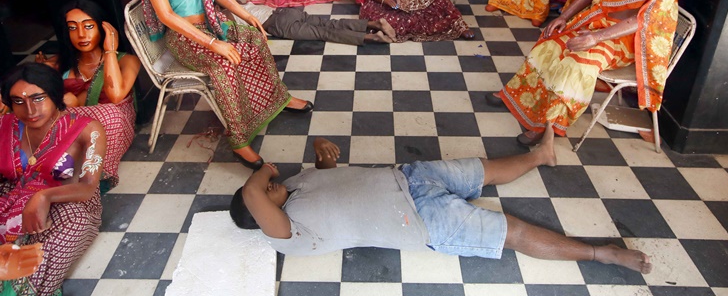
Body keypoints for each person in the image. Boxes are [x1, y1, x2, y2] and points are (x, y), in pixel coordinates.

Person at [230, 133, 653, 275]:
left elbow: (330, 181)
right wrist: (263, 168)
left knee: (484, 169)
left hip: (410, 177)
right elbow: (252, 192)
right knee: (514, 231)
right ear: (262, 216)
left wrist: (324, 157)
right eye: (268, 191)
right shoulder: (288, 236)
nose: (272, 184)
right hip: (424, 220)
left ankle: (541, 155)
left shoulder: (298, 185)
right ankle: (604, 254)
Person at [141, 0, 313, 169]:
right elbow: (167, 17)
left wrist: (247, 15)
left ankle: (278, 98)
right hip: (185, 37)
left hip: (213, 23)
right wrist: (213, 44)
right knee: (223, 62)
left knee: (254, 38)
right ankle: (240, 138)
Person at [486, 0, 680, 145]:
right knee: (549, 44)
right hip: (595, 21)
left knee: (576, 63)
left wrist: (595, 38)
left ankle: (548, 125)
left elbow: (644, 20)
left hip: (624, 38)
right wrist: (564, 18)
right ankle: (518, 95)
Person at [0, 63, 105, 296]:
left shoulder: (87, 130)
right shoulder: (6, 126)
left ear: (55, 95)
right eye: (18, 101)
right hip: (9, 199)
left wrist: (43, 196)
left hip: (69, 205)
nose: (29, 110)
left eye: (38, 98)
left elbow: (88, 187)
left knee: (61, 236)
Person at [50, 0, 140, 190]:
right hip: (72, 134)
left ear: (103, 28)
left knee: (110, 114)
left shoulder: (127, 61)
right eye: (72, 28)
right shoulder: (59, 64)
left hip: (112, 129)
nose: (81, 34)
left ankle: (96, 181)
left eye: (89, 26)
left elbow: (115, 96)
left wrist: (110, 51)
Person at [237, 2, 396, 44]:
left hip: (278, 24)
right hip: (285, 12)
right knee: (330, 23)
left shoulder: (226, 16)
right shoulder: (237, 4)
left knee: (323, 33)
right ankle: (374, 24)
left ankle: (370, 37)